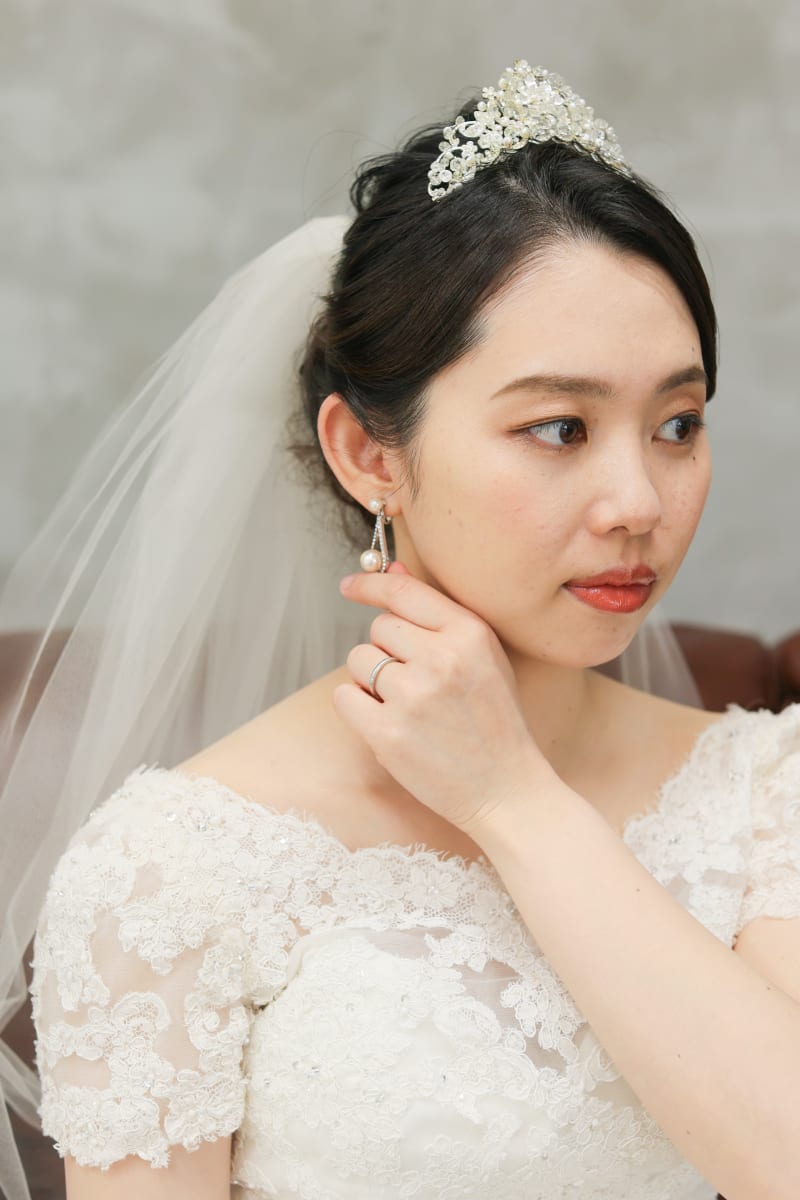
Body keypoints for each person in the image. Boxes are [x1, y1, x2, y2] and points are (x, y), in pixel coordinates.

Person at [0, 60, 798, 1200]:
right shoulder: (170, 868)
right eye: (560, 428)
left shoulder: (767, 793)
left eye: (678, 423)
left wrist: (513, 800)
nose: (637, 501)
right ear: (368, 454)